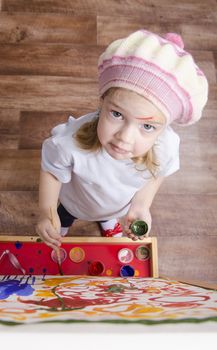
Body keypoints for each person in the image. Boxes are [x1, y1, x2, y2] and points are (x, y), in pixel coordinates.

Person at [36, 29, 208, 250]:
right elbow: (51, 170)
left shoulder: (165, 147)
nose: (124, 138)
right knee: (66, 214)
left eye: (147, 126)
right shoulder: (70, 144)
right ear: (102, 101)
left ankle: (106, 219)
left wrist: (141, 206)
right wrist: (45, 212)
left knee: (107, 213)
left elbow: (159, 172)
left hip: (118, 206)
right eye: (117, 114)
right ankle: (63, 221)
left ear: (163, 128)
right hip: (76, 202)